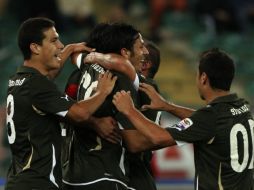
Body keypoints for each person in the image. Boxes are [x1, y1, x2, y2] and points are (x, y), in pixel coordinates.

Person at [112, 48, 254, 190]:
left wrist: (129, 110)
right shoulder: (243, 108)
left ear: (203, 77)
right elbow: (203, 121)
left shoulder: (210, 117)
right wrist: (167, 106)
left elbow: (158, 137)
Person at [5, 17, 116, 190]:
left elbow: (48, 76)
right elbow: (80, 113)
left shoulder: (19, 80)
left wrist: (71, 48)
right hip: (37, 183)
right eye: (54, 40)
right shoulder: (36, 85)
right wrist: (102, 91)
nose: (60, 45)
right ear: (35, 47)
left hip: (21, 180)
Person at [62, 22, 145, 190]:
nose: (145, 52)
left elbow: (68, 116)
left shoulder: (79, 72)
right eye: (141, 47)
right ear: (124, 52)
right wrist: (177, 134)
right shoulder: (120, 79)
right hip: (105, 173)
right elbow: (134, 143)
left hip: (71, 175)